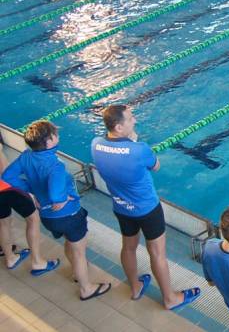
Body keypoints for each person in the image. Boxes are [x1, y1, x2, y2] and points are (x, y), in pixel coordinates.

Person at [91, 105, 201, 308]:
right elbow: (156, 166)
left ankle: (135, 287)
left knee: (129, 247)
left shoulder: (96, 144)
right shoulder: (139, 149)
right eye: (130, 119)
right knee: (157, 253)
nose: (135, 121)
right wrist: (133, 141)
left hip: (121, 207)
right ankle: (170, 299)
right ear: (118, 126)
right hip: (147, 209)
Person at [2, 121, 111, 301]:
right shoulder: (55, 165)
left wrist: (30, 188)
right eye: (56, 135)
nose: (58, 137)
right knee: (78, 250)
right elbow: (55, 194)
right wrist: (64, 198)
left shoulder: (27, 156)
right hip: (68, 215)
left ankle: (78, 270)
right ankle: (86, 288)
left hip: (47, 217)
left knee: (70, 243)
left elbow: (7, 176)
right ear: (50, 140)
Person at [0, 149, 58, 274]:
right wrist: (28, 191)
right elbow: (6, 173)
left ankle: (10, 258)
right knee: (33, 219)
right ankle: (37, 262)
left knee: (3, 222)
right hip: (6, 188)